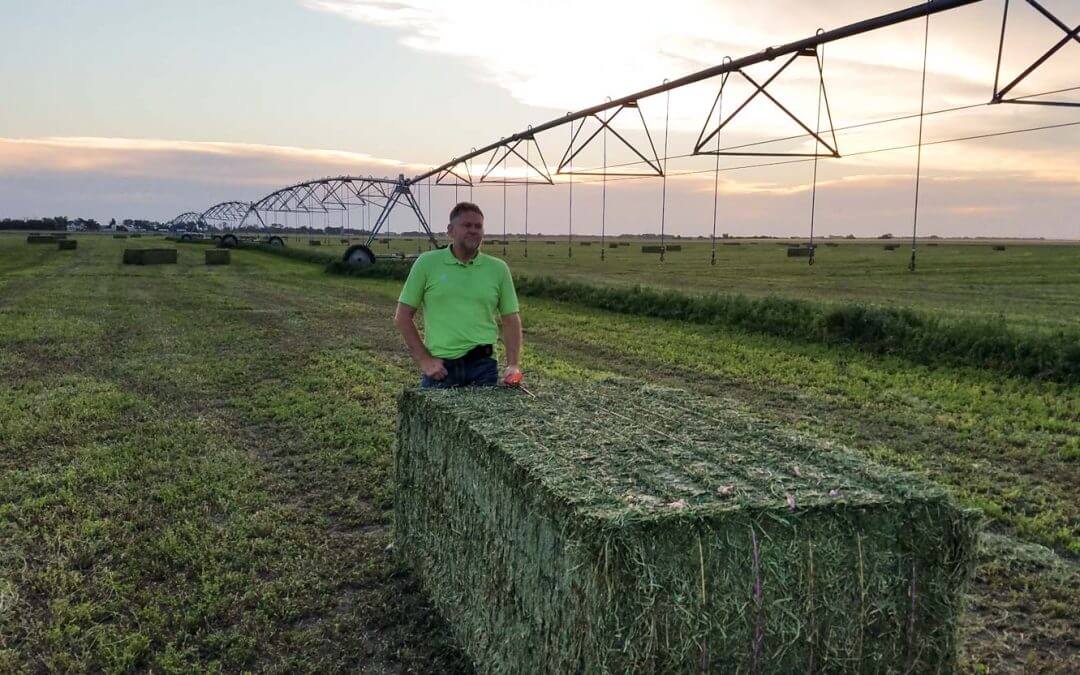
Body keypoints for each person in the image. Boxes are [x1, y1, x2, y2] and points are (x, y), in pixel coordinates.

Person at [394, 201, 523, 388]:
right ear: (450, 230)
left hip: (483, 367)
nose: (473, 230)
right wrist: (425, 360)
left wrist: (513, 365)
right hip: (441, 369)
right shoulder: (427, 264)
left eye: (478, 226)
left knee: (482, 418)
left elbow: (511, 319)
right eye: (467, 225)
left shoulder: (498, 269)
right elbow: (402, 317)